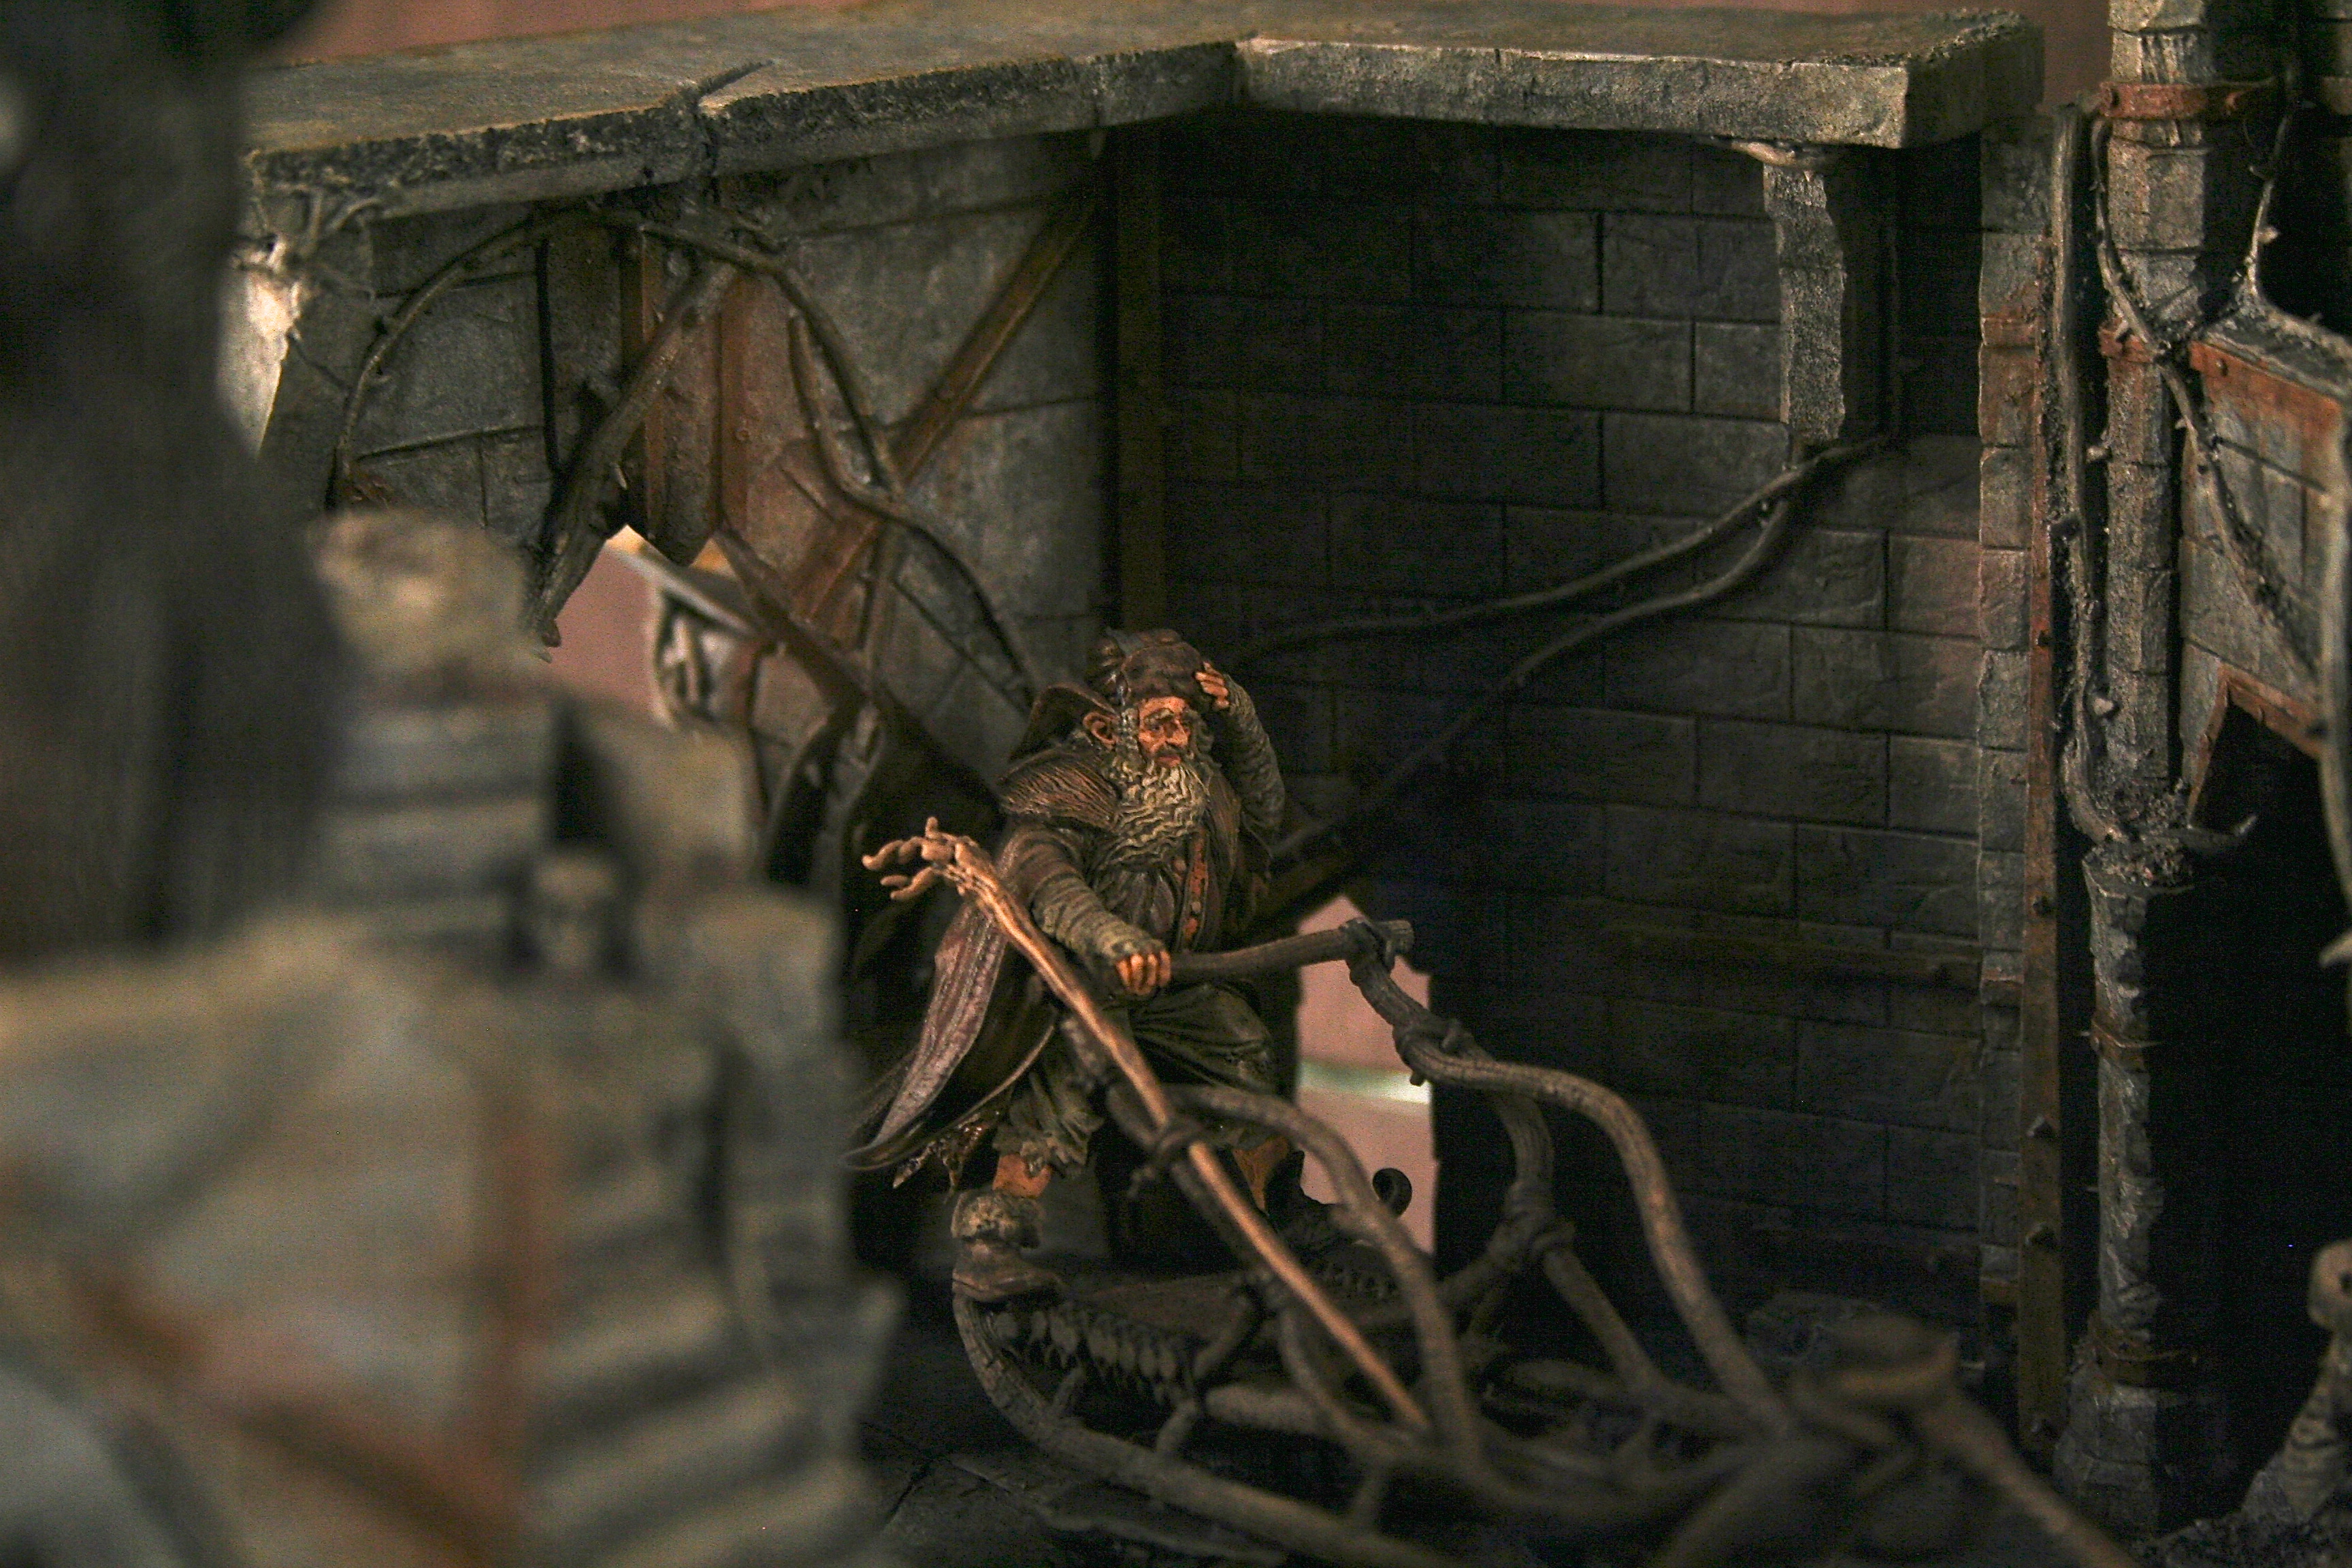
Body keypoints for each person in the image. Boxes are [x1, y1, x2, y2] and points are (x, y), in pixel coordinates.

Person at [852, 630, 1303, 1300]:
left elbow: (1264, 812)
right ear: (1108, 727)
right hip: (1080, 987)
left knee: (1243, 1048)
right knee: (1057, 1092)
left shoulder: (1202, 789)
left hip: (1174, 986)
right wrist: (1112, 939)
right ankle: (992, 1240)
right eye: (1158, 723)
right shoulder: (1067, 789)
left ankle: (1283, 1213)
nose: (1175, 738)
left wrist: (1243, 719)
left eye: (1185, 723)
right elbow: (1047, 879)